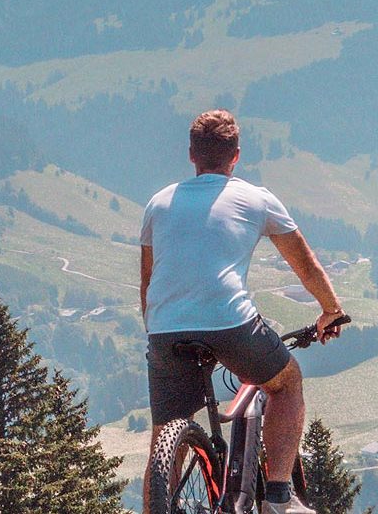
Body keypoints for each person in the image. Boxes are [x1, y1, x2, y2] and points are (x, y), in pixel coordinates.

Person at [140, 110, 344, 514]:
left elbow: (147, 282)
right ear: (236, 155)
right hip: (229, 323)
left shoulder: (158, 203)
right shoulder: (257, 198)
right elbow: (306, 266)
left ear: (191, 155)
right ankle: (279, 500)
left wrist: (160, 331)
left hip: (164, 329)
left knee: (166, 431)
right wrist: (331, 310)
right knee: (286, 384)